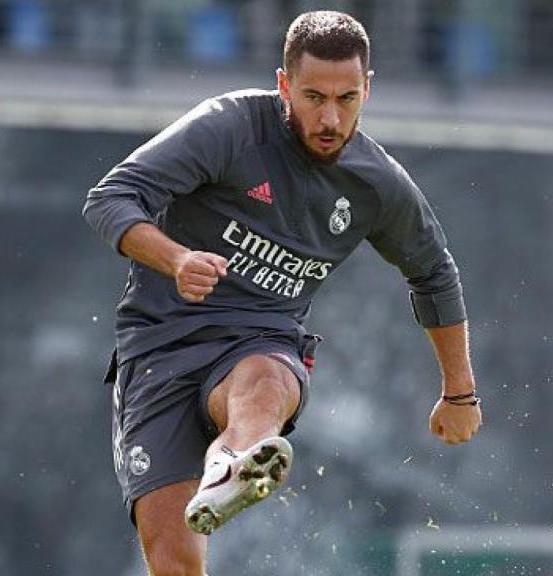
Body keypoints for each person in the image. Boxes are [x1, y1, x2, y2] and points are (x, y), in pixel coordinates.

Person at [83, 10, 482, 576]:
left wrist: (459, 393)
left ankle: (233, 464)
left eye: (347, 99)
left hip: (261, 338)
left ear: (367, 90)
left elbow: (434, 272)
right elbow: (110, 198)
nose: (329, 117)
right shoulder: (229, 128)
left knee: (267, 380)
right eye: (313, 96)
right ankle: (230, 468)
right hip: (158, 350)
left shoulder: (377, 184)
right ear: (283, 85)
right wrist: (176, 259)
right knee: (173, 560)